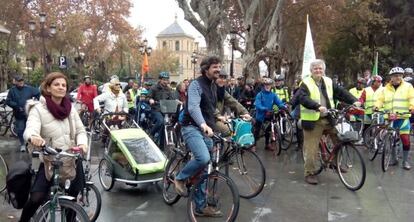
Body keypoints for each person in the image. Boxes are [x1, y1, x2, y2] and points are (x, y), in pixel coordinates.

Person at [20, 72, 88, 222]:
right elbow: (30, 128)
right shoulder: (37, 109)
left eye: (64, 85)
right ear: (48, 88)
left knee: (72, 200)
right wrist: (34, 137)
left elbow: (80, 130)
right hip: (48, 161)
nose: (61, 87)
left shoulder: (71, 109)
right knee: (36, 197)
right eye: (56, 84)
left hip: (70, 160)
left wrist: (82, 143)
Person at [297, 59, 359, 185]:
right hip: (312, 121)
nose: (318, 70)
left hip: (328, 118)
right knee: (311, 149)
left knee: (339, 140)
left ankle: (335, 163)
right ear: (311, 70)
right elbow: (303, 98)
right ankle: (309, 173)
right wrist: (316, 106)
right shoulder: (305, 83)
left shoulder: (329, 81)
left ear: (324, 70)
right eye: (315, 68)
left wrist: (354, 101)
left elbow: (341, 92)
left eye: (320, 68)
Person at [175, 56, 223, 217]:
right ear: (206, 69)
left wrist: (219, 116)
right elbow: (194, 107)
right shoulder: (196, 84)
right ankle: (180, 178)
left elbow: (209, 107)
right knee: (202, 158)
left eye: (219, 66)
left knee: (204, 168)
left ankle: (200, 207)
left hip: (205, 129)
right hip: (191, 127)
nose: (218, 69)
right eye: (215, 67)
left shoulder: (213, 86)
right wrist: (203, 125)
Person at [374, 67, 414, 170]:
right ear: (391, 77)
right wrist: (376, 106)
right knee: (391, 138)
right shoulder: (385, 89)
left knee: (405, 139)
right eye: (396, 75)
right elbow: (380, 100)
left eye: (400, 75)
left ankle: (405, 161)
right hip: (390, 118)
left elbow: (412, 98)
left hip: (403, 117)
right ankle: (393, 159)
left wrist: (412, 107)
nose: (398, 77)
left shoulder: (408, 86)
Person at [6, 75, 40, 152]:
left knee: (31, 129)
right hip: (19, 114)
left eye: (22, 80)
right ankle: (22, 144)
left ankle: (30, 144)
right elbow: (8, 101)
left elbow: (38, 93)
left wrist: (37, 102)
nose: (21, 82)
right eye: (19, 81)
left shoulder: (29, 89)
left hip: (29, 114)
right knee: (20, 130)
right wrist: (16, 106)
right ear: (16, 82)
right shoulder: (12, 90)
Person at [252, 77, 287, 152]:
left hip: (269, 114)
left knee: (269, 129)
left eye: (269, 85)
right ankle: (254, 145)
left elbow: (278, 102)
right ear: (263, 86)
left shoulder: (273, 95)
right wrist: (264, 108)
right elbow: (258, 104)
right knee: (257, 131)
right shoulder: (260, 95)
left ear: (271, 86)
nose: (267, 86)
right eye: (266, 85)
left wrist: (283, 106)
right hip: (261, 115)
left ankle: (267, 144)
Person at [215, 70, 251, 135]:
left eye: (224, 78)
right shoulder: (211, 90)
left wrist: (245, 112)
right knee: (228, 130)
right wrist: (218, 115)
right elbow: (209, 106)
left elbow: (233, 101)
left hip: (219, 118)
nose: (222, 80)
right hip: (209, 119)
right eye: (220, 77)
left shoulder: (222, 91)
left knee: (237, 127)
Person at [148, 71, 177, 148]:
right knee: (160, 121)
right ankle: (151, 134)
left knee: (165, 125)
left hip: (165, 110)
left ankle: (161, 146)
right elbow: (148, 97)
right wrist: (150, 100)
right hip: (156, 109)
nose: (165, 81)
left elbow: (172, 99)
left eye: (167, 80)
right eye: (164, 79)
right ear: (160, 80)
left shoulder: (168, 89)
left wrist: (176, 101)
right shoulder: (154, 88)